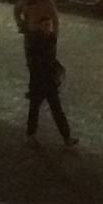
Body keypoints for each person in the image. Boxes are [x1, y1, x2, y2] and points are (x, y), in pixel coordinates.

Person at [25, 15, 76, 148]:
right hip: (39, 80)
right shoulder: (36, 41)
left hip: (48, 81)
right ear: (40, 26)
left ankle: (67, 137)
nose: (48, 28)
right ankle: (32, 136)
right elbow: (34, 61)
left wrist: (56, 66)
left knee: (56, 109)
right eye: (46, 25)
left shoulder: (50, 38)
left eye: (49, 25)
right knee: (35, 109)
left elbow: (51, 57)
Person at [14, 0, 59, 68]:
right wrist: (20, 23)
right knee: (32, 62)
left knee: (44, 62)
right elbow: (17, 10)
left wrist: (54, 36)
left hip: (43, 35)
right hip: (31, 34)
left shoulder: (45, 0)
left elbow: (54, 18)